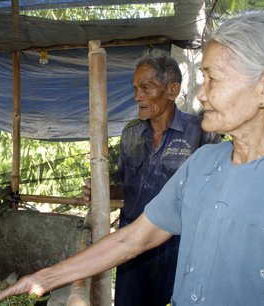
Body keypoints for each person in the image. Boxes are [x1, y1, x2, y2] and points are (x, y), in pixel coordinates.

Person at [0, 12, 264, 306]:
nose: (202, 95)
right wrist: (44, 278)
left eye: (213, 79)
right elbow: (133, 238)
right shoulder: (203, 164)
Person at [82, 55, 220, 306]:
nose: (137, 96)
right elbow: (126, 186)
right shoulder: (131, 134)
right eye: (135, 89)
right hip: (131, 242)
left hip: (176, 247)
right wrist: (102, 191)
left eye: (145, 88)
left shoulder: (200, 132)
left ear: (171, 90)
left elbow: (211, 196)